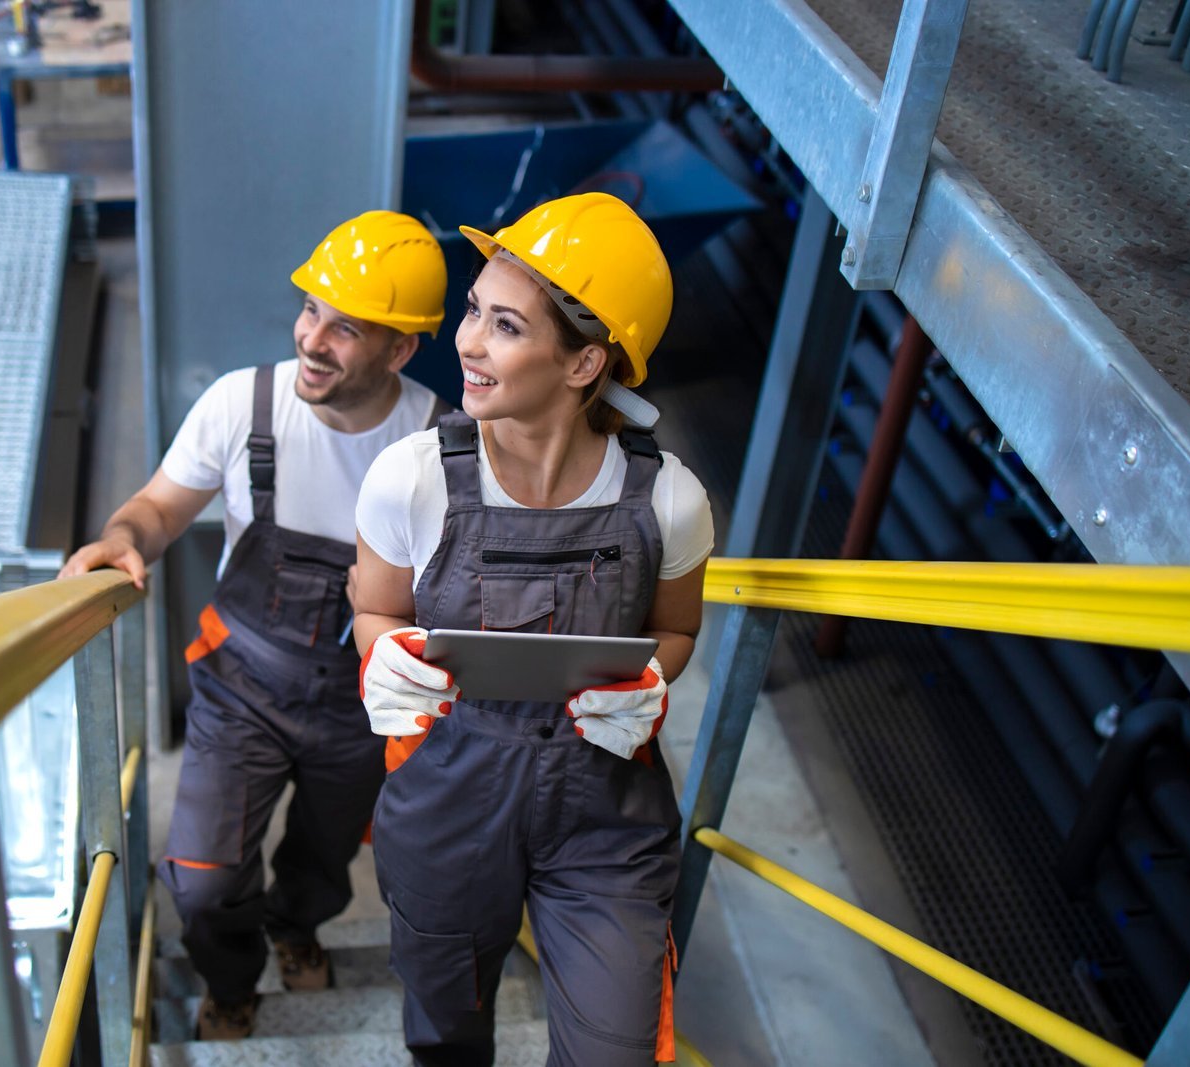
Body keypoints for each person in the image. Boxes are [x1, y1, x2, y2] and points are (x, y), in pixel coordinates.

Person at [60, 210, 450, 1040]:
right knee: (201, 876)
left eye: (347, 328)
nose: (313, 338)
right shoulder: (246, 404)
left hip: (362, 702)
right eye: (311, 309)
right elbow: (159, 508)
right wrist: (122, 539)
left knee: (324, 852)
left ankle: (296, 926)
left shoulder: (439, 445)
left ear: (400, 350)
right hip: (242, 685)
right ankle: (231, 981)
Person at [352, 192, 714, 1066]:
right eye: (475, 311)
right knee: (447, 1028)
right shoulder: (411, 479)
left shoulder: (669, 500)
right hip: (449, 794)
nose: (466, 341)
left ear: (587, 360)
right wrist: (385, 656)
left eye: (504, 326)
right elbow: (376, 608)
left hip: (605, 812)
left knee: (616, 1051)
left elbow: (676, 630)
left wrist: (650, 687)